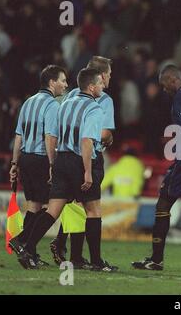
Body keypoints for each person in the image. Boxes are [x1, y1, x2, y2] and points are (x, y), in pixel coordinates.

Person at [12, 68, 118, 272]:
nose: (103, 87)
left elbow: (55, 134)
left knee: (53, 209)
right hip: (79, 161)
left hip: (62, 159)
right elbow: (87, 141)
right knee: (93, 211)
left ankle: (25, 245)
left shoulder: (65, 103)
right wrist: (87, 171)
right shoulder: (94, 108)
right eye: (100, 84)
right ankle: (96, 261)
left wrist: (54, 164)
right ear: (91, 86)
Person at [131, 65, 181, 271]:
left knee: (163, 204)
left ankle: (156, 260)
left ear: (172, 79)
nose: (164, 89)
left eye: (164, 85)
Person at [49, 56, 115, 269]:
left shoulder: (70, 96)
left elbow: (58, 126)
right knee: (89, 208)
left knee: (71, 205)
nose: (109, 79)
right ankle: (81, 255)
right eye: (109, 75)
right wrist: (107, 137)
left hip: (64, 155)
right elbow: (101, 133)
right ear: (101, 77)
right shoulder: (102, 99)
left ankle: (65, 249)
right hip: (88, 157)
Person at [8, 65, 68, 267]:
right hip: (41, 158)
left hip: (25, 157)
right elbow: (50, 137)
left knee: (34, 205)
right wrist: (52, 163)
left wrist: (15, 163)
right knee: (51, 207)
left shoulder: (28, 102)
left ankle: (28, 253)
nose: (65, 85)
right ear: (52, 82)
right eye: (62, 80)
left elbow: (18, 135)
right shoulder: (52, 105)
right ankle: (23, 242)